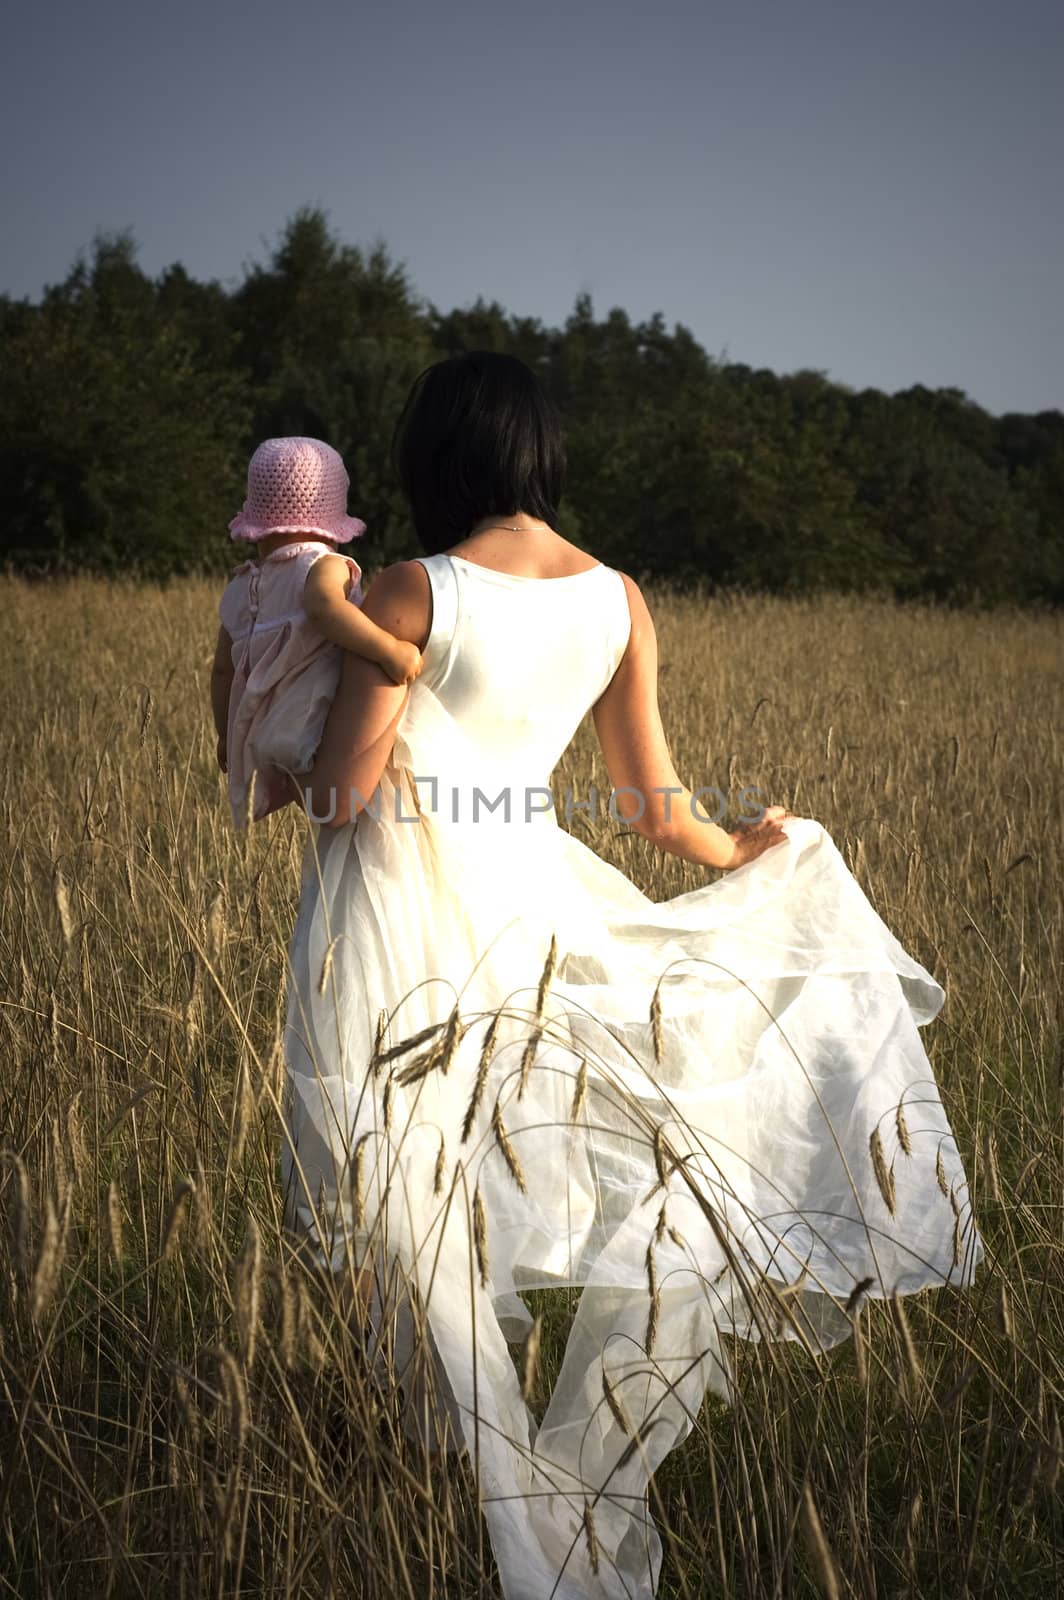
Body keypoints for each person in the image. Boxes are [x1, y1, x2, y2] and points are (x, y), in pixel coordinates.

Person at [279, 355, 982, 1600]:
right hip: (543, 905)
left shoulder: (409, 587)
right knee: (580, 1167)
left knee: (422, 1202)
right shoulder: (616, 596)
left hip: (403, 917)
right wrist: (747, 847)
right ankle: (551, 1493)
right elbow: (654, 810)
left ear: (436, 458)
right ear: (540, 455)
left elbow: (339, 793)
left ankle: (494, 1504)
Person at [210, 435, 422, 828]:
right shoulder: (323, 567)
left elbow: (223, 669)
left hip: (261, 728)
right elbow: (325, 608)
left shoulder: (240, 588)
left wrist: (226, 734)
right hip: (309, 723)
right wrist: (389, 649)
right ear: (331, 520)